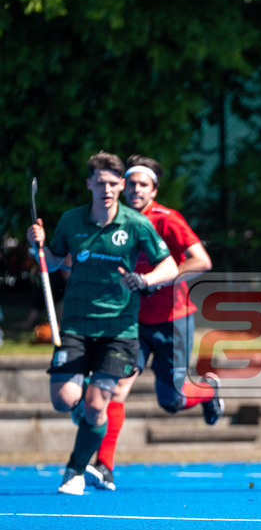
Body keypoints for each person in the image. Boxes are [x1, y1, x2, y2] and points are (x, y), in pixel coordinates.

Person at [27, 151, 178, 495]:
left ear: (121, 185)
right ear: (89, 184)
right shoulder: (71, 221)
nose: (106, 189)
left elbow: (168, 267)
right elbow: (50, 264)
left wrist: (146, 280)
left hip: (119, 330)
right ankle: (88, 416)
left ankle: (76, 470)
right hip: (77, 326)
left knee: (98, 404)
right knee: (64, 399)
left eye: (113, 183)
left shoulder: (137, 224)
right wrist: (36, 245)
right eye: (100, 183)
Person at [81, 155, 224, 491]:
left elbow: (202, 261)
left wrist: (157, 279)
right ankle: (104, 466)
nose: (134, 190)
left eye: (142, 184)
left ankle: (207, 391)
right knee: (115, 388)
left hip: (172, 319)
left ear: (154, 189)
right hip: (131, 322)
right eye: (129, 184)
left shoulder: (167, 219)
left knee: (170, 401)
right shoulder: (113, 220)